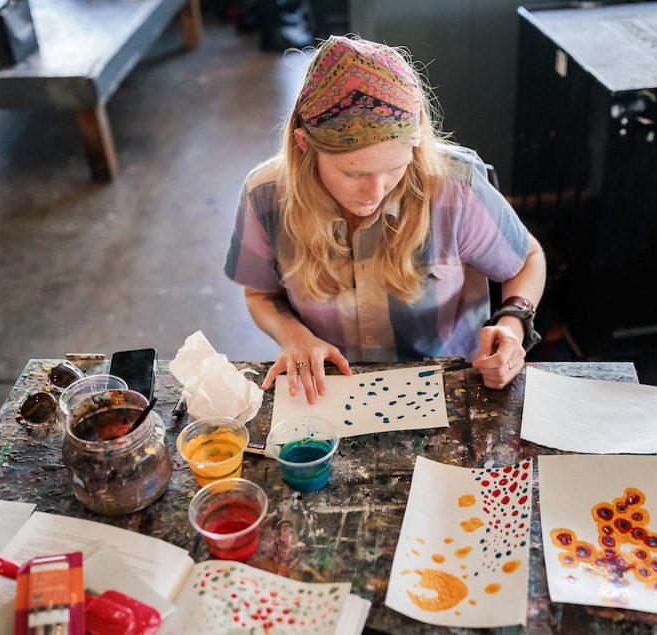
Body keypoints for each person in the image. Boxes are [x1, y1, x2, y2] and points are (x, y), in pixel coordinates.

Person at [224, 36, 546, 403]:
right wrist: (295, 336)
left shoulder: (454, 187)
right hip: (331, 389)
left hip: (450, 385)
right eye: (354, 174)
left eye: (395, 168)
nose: (376, 193)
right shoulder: (265, 195)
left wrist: (513, 322)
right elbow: (260, 295)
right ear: (303, 144)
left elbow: (528, 261)